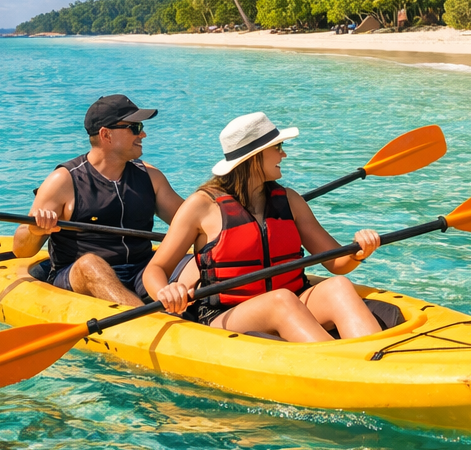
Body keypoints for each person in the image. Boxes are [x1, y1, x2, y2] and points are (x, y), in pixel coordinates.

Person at [143, 112, 384, 342]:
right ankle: (343, 366)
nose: (284, 155)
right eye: (278, 148)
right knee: (280, 301)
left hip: (293, 299)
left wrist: (359, 252)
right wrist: (164, 292)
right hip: (226, 314)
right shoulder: (202, 206)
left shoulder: (290, 201)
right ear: (254, 156)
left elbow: (337, 263)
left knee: (337, 287)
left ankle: (376, 356)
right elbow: (156, 269)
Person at [15, 95, 184, 304]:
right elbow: (21, 249)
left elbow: (189, 221)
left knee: (193, 261)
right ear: (106, 134)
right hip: (79, 276)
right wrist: (35, 230)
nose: (143, 134)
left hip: (142, 270)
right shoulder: (64, 180)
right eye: (134, 127)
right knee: (90, 264)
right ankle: (149, 323)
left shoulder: (150, 177)